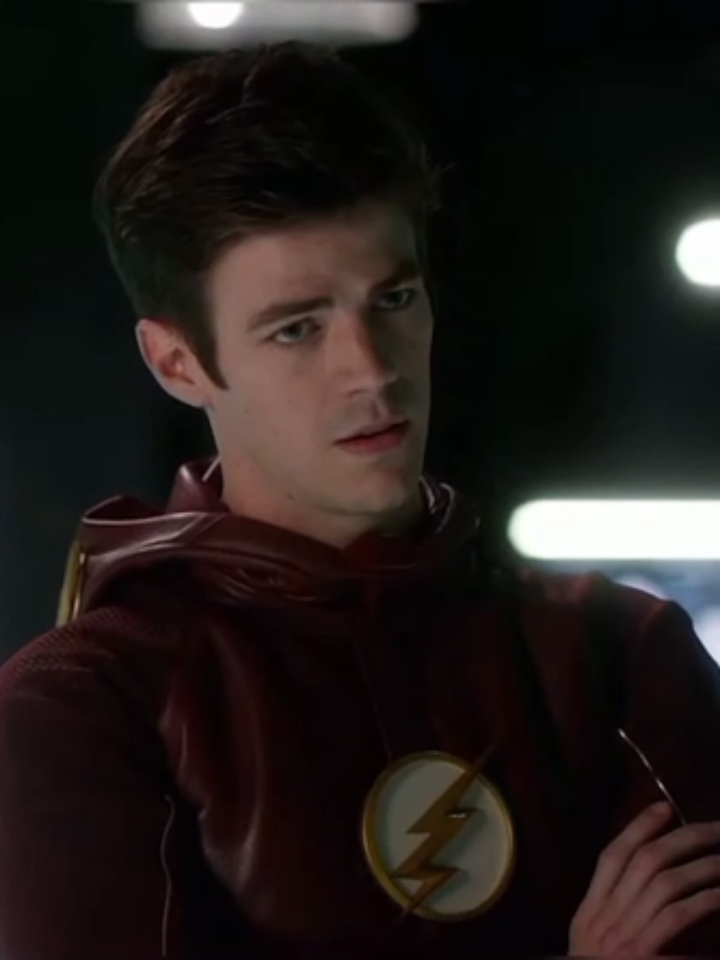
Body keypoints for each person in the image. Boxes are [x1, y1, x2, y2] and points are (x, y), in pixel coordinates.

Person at [1, 41, 719, 960]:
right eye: (297, 328)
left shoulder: (619, 654)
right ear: (178, 362)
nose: (371, 370)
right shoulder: (90, 701)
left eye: (394, 299)